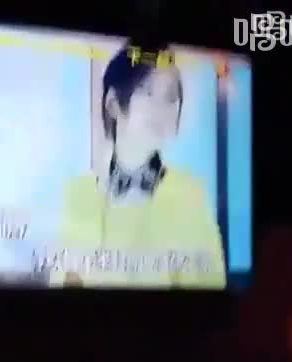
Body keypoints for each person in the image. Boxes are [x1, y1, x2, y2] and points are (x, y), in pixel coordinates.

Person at [50, 42, 226, 288]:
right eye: (148, 91)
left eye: (170, 97)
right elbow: (64, 282)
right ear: (113, 103)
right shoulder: (78, 192)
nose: (161, 108)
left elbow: (210, 287)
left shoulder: (190, 193)